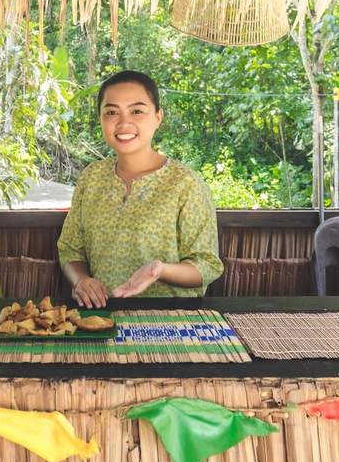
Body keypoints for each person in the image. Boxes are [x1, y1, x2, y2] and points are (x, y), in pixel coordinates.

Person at [57, 70, 223, 306]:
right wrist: (82, 281)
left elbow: (206, 265)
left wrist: (159, 270)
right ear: (100, 119)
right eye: (111, 112)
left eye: (137, 111)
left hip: (168, 318)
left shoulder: (185, 183)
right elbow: (70, 249)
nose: (124, 123)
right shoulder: (91, 177)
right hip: (102, 315)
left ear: (158, 117)